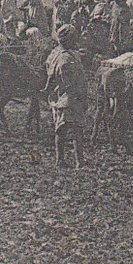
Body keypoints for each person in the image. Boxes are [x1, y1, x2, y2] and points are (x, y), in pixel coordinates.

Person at [43, 24, 89, 169]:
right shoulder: (66, 60)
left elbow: (50, 78)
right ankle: (79, 161)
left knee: (60, 129)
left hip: (58, 97)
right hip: (70, 97)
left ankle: (59, 159)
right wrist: (81, 96)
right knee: (77, 130)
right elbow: (70, 82)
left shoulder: (54, 54)